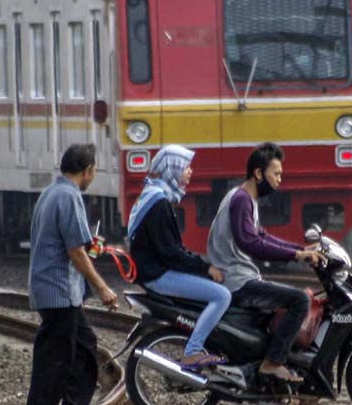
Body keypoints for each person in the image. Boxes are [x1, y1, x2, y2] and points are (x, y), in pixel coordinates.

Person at [22, 144, 119, 405]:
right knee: (56, 354)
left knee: (83, 347)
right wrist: (102, 287)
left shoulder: (51, 193)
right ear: (87, 170)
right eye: (94, 172)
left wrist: (91, 244)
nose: (93, 177)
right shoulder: (69, 197)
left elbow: (74, 242)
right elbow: (75, 251)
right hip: (59, 289)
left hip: (53, 288)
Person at [207, 142, 324, 383]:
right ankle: (273, 363)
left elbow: (262, 237)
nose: (280, 180)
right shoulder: (241, 199)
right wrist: (296, 256)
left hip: (239, 277)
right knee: (299, 300)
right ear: (259, 174)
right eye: (276, 174)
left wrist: (300, 250)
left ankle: (259, 359)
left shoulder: (246, 199)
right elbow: (251, 243)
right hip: (237, 281)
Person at [128, 145, 231, 370]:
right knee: (221, 296)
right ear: (171, 168)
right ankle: (193, 351)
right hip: (158, 275)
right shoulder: (160, 203)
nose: (190, 171)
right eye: (185, 167)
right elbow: (172, 253)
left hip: (153, 270)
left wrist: (201, 263)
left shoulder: (152, 194)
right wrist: (206, 268)